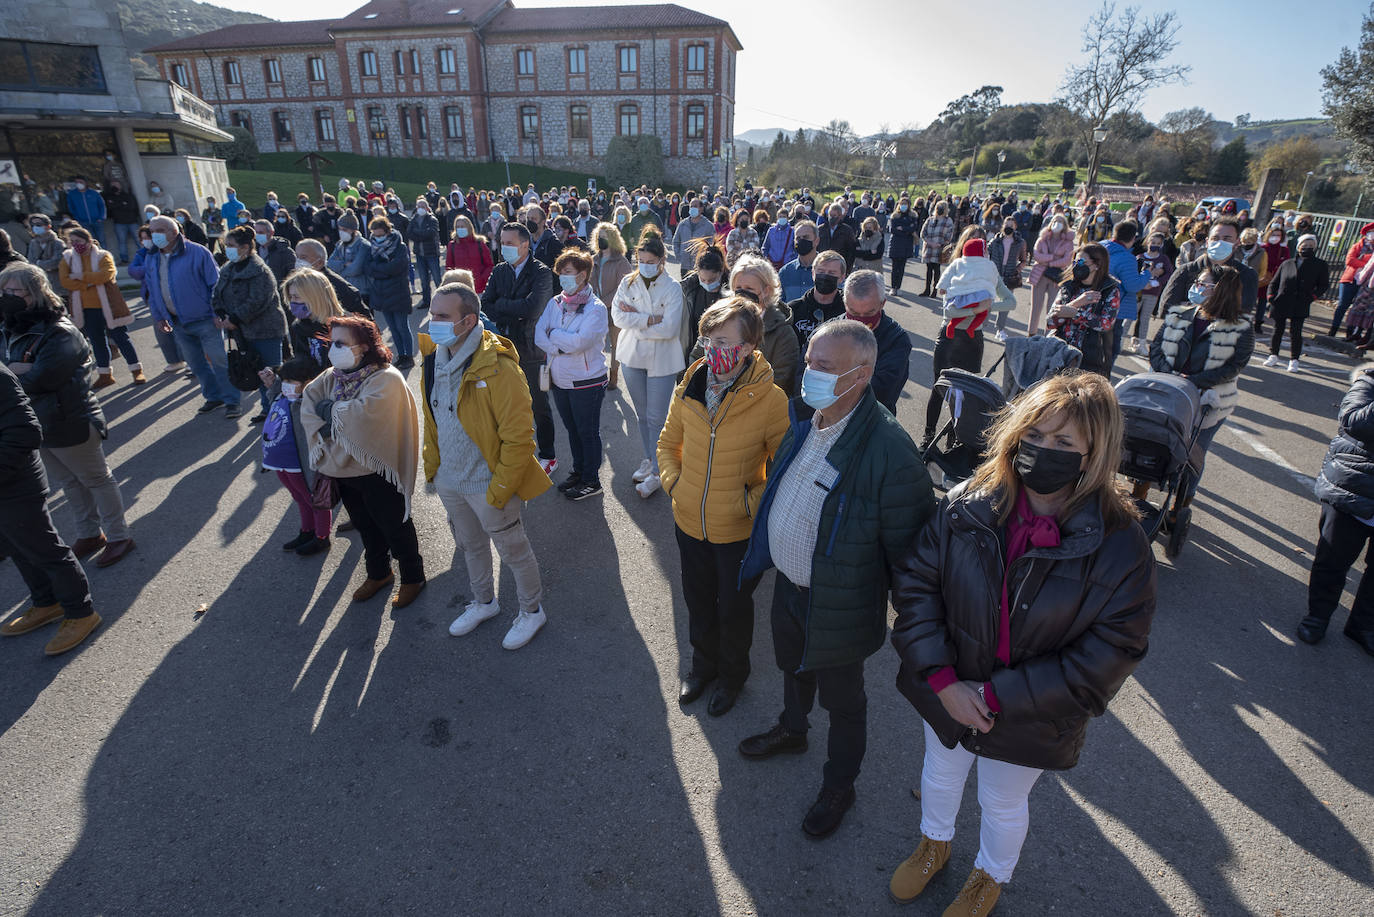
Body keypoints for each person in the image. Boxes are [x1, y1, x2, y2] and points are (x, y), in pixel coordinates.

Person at [888, 371, 1156, 915]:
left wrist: (993, 697)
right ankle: (933, 845)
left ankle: (990, 875)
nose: (1041, 451)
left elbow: (1107, 657)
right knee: (940, 772)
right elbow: (917, 586)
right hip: (947, 689)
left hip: (1029, 710)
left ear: (1093, 454)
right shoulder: (967, 503)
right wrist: (942, 681)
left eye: (1062, 443)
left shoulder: (1121, 547)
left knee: (1002, 800)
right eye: (1033, 435)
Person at [736, 319, 934, 838]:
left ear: (861, 375)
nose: (810, 374)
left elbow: (912, 554)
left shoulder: (890, 450)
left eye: (824, 367)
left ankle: (840, 785)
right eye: (809, 362)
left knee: (844, 702)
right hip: (791, 586)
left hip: (841, 601)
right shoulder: (809, 415)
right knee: (792, 666)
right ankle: (793, 729)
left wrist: (920, 637)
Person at [660, 298, 790, 716]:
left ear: (750, 346)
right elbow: (667, 443)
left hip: (736, 530)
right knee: (697, 600)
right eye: (706, 339)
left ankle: (732, 676)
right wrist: (674, 484)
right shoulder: (692, 381)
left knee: (734, 609)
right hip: (688, 520)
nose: (710, 350)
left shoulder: (771, 400)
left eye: (721, 341)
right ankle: (702, 668)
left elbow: (782, 468)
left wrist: (747, 503)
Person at [421, 283, 551, 649]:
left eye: (442, 317)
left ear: (468, 321)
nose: (433, 323)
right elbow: (432, 419)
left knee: (514, 551)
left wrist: (500, 488)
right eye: (433, 314)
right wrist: (435, 470)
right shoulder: (433, 356)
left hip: (488, 484)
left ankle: (531, 611)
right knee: (469, 546)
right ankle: (483, 603)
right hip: (450, 480)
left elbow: (520, 437)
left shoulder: (498, 367)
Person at [1, 262, 135, 568]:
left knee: (96, 480)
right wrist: (18, 370)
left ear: (34, 293)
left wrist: (13, 372)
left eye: (13, 291)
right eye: (3, 290)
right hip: (37, 422)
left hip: (69, 420)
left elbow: (42, 378)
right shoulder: (12, 326)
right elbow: (15, 376)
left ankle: (119, 536)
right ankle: (90, 534)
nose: (6, 296)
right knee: (69, 483)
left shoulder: (60, 331)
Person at [301, 315, 424, 608]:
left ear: (364, 347)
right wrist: (338, 415)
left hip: (376, 469)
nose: (335, 349)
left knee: (395, 525)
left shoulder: (386, 378)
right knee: (364, 525)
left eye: (343, 343)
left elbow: (367, 419)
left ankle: (412, 577)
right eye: (333, 342)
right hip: (340, 468)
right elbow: (309, 401)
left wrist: (331, 413)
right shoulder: (332, 375)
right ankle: (379, 573)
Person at [0, 361, 103, 656]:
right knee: (17, 548)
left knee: (44, 548)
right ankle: (46, 602)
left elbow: (25, 432)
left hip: (15, 483)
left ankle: (80, 612)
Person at [1148, 263, 1254, 512]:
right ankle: (1140, 496)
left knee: (1192, 455)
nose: (1196, 287)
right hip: (1170, 394)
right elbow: (1156, 348)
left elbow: (1233, 366)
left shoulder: (1241, 327)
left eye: (1203, 284)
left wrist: (1193, 381)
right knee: (1154, 446)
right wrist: (1169, 374)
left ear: (1221, 290)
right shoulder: (1179, 314)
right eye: (1198, 282)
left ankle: (1181, 505)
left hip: (1208, 402)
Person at [1302, 365, 1374, 655]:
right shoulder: (1368, 380)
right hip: (1354, 486)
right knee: (1333, 559)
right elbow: (1353, 422)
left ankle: (1363, 625)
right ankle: (1317, 617)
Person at [611, 228, 684, 497]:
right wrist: (650, 318)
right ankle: (649, 458)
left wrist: (638, 321)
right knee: (642, 415)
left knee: (657, 417)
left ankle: (658, 470)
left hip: (662, 360)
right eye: (642, 261)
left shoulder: (673, 288)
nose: (647, 266)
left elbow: (670, 329)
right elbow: (618, 318)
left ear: (662, 261)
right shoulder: (627, 283)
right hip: (632, 357)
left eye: (652, 262)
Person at [481, 222, 557, 474]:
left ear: (525, 244)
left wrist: (504, 307)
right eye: (502, 243)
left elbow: (533, 308)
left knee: (540, 404)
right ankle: (514, 453)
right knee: (507, 405)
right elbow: (486, 304)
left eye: (510, 243)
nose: (504, 248)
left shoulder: (542, 272)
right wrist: (513, 308)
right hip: (503, 347)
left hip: (534, 351)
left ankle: (548, 455)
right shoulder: (500, 270)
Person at [142, 215, 236, 413]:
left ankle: (232, 400)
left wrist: (217, 312)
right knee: (195, 363)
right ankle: (213, 396)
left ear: (174, 231)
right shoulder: (152, 257)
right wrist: (159, 316)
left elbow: (215, 284)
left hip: (205, 319)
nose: (154, 235)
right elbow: (153, 288)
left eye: (159, 230)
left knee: (219, 360)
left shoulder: (197, 252)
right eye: (152, 231)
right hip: (177, 321)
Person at [535, 250, 609, 501]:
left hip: (587, 381)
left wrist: (553, 336)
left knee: (587, 432)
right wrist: (557, 342)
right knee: (572, 430)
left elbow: (580, 342)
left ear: (583, 274)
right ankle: (579, 472)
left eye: (568, 273)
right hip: (560, 378)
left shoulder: (595, 308)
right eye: (561, 273)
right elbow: (538, 332)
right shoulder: (556, 302)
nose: (563, 278)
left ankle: (592, 480)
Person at [212, 225, 286, 421]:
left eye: (231, 245)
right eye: (225, 244)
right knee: (253, 370)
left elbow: (258, 300)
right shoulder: (228, 268)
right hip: (240, 331)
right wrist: (221, 313)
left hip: (265, 330)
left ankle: (278, 409)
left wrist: (234, 318)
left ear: (245, 247)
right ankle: (266, 408)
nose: (227, 248)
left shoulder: (259, 270)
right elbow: (217, 293)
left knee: (269, 372)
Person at [57, 227, 145, 389]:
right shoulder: (67, 259)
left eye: (80, 241)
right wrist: (91, 281)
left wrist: (81, 278)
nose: (77, 245)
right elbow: (65, 281)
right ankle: (105, 375)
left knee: (122, 338)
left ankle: (136, 370)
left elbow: (106, 274)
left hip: (110, 306)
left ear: (89, 241)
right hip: (86, 309)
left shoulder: (103, 256)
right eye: (73, 242)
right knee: (97, 342)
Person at [262, 356, 331, 556]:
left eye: (292, 382)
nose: (286, 386)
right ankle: (307, 530)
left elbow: (325, 428)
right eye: (284, 381)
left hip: (302, 462)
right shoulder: (281, 396)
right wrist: (273, 383)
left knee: (314, 499)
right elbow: (273, 396)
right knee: (298, 497)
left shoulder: (310, 403)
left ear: (308, 382)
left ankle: (321, 537)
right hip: (282, 462)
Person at [728, 253, 799, 397]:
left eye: (749, 289)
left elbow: (780, 381)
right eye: (738, 288)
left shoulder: (783, 334)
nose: (742, 294)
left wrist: (739, 398)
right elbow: (699, 356)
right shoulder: (721, 320)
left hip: (758, 409)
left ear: (766, 290)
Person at [844, 270, 911, 416]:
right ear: (845, 303)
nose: (861, 320)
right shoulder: (828, 332)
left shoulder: (897, 341)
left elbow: (882, 392)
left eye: (869, 313)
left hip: (872, 419)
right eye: (853, 313)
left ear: (882, 304)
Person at [1047, 244, 1121, 377]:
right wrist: (1077, 303)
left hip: (1091, 360)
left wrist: (1076, 314)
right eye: (1074, 261)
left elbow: (1105, 324)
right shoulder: (1068, 286)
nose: (1076, 265)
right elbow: (1051, 321)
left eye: (1081, 261)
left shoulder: (1110, 290)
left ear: (1097, 265)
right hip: (1060, 354)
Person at [1264, 235, 1329, 370]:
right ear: (1298, 246)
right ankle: (1273, 355)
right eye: (1304, 245)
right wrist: (1271, 296)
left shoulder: (1320, 265)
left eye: (1311, 246)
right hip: (1281, 301)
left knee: (1296, 332)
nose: (1307, 248)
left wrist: (1312, 297)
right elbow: (1274, 282)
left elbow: (1323, 285)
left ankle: (1294, 360)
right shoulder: (1287, 263)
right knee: (1277, 330)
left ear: (1315, 247)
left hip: (1301, 302)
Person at [364, 216, 415, 369]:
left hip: (398, 292)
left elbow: (397, 267)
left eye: (380, 234)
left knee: (402, 326)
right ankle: (401, 355)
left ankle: (409, 356)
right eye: (375, 234)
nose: (377, 238)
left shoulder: (399, 246)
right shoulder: (371, 247)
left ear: (387, 232)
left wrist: (379, 270)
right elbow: (368, 268)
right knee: (392, 328)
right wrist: (384, 271)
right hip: (381, 294)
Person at [1103, 220, 1153, 369]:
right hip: (1114, 308)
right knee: (1110, 350)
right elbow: (1132, 285)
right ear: (1132, 239)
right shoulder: (1126, 258)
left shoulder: (1101, 247)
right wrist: (1147, 273)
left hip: (1093, 303)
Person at [591, 222, 632, 391]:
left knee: (615, 344)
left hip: (615, 309)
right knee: (596, 342)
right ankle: (597, 374)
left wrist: (604, 301)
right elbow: (589, 282)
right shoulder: (593, 259)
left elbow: (623, 287)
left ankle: (613, 375)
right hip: (596, 308)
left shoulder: (621, 261)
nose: (602, 241)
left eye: (605, 238)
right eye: (599, 238)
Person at [282, 267, 344, 376]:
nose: (292, 302)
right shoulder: (300, 327)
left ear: (315, 297)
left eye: (296, 297)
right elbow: (302, 361)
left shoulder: (344, 327)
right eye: (291, 297)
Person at [679, 243, 726, 366]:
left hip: (718, 358)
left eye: (711, 280)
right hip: (690, 354)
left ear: (721, 272)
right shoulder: (689, 289)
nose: (707, 284)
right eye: (703, 280)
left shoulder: (730, 295)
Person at [790, 251, 847, 349]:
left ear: (842, 278)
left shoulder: (848, 312)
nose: (825, 276)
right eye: (821, 271)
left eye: (831, 273)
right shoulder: (793, 310)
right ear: (813, 274)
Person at [1329, 222, 1374, 337]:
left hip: (1365, 283)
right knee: (1342, 305)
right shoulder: (1358, 246)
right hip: (1350, 279)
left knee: (1358, 307)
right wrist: (1367, 264)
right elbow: (1349, 260)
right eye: (1370, 232)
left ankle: (1351, 331)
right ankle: (1334, 328)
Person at [327, 212, 372, 302]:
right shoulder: (340, 244)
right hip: (344, 289)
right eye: (340, 229)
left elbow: (355, 269)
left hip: (361, 291)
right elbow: (329, 264)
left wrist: (340, 272)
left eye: (344, 229)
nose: (341, 232)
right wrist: (344, 264)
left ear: (353, 230)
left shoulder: (363, 245)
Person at [444, 214, 494, 293]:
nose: (460, 229)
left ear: (469, 227)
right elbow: (449, 267)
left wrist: (482, 278)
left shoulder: (479, 244)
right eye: (458, 227)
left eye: (462, 226)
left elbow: (489, 265)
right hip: (461, 288)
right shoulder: (452, 245)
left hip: (480, 287)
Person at [919, 201, 956, 297]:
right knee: (928, 269)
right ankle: (926, 289)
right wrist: (930, 242)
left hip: (940, 249)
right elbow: (923, 233)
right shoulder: (930, 219)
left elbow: (949, 236)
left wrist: (940, 244)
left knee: (937, 269)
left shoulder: (948, 221)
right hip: (929, 248)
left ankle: (934, 290)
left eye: (942, 207)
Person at [102, 180, 140, 265]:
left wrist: (117, 204)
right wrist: (122, 204)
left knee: (139, 240)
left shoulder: (127, 195)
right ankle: (124, 260)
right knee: (121, 242)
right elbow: (110, 208)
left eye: (116, 184)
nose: (114, 186)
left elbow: (131, 206)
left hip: (132, 221)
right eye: (112, 185)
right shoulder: (109, 197)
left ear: (120, 185)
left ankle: (146, 256)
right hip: (119, 223)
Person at [25, 214, 66, 291]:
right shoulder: (33, 243)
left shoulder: (58, 243)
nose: (35, 227)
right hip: (41, 283)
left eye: (38, 224)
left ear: (48, 226)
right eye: (33, 225)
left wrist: (39, 263)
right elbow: (31, 262)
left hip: (57, 283)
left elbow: (56, 262)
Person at [253, 219, 296, 286]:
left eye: (261, 232)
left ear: (271, 233)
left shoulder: (284, 251)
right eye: (256, 232)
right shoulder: (253, 250)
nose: (258, 235)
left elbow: (293, 273)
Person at [65, 178, 106, 247]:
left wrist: (101, 217)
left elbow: (102, 206)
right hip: (83, 222)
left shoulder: (94, 193)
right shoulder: (72, 194)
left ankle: (104, 255)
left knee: (101, 239)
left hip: (97, 221)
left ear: (85, 183)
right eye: (76, 182)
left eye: (80, 182)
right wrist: (77, 218)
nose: (78, 184)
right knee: (90, 240)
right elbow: (71, 208)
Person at [889, 196, 918, 292]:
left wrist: (903, 228)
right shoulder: (894, 216)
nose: (903, 206)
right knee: (895, 267)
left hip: (906, 244)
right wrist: (907, 229)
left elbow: (913, 228)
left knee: (901, 268)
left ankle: (899, 287)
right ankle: (893, 287)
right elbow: (892, 229)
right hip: (896, 244)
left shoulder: (912, 216)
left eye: (905, 204)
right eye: (902, 204)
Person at [819, 203, 858, 271]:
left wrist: (847, 269)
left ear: (840, 216)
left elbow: (851, 251)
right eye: (830, 215)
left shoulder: (847, 230)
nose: (831, 217)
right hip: (822, 265)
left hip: (839, 266)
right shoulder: (820, 229)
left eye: (834, 215)